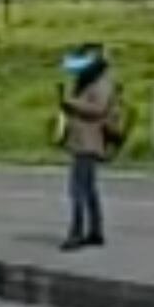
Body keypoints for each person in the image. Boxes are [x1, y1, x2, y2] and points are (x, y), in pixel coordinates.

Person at [59, 44, 121, 250]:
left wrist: (73, 103)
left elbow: (98, 108)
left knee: (77, 189)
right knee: (88, 189)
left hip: (90, 142)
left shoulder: (102, 83)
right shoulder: (88, 81)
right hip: (82, 140)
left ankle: (76, 233)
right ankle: (95, 231)